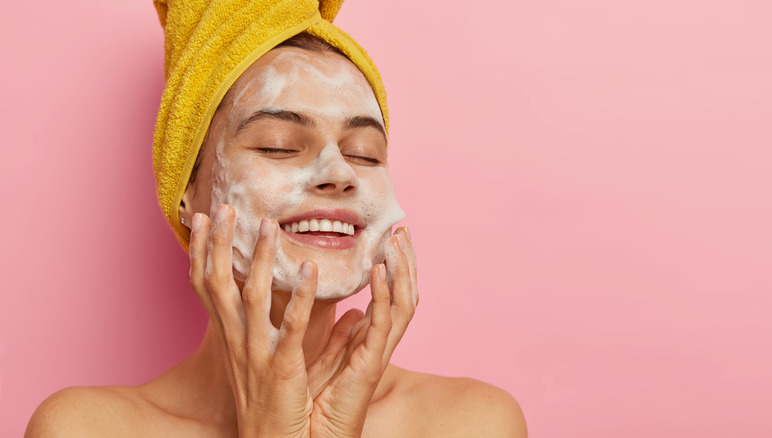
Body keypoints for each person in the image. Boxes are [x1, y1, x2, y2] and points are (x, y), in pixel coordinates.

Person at [26, 1, 527, 436]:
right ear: (187, 193)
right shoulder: (83, 428)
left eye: (365, 153)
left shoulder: (471, 423)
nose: (340, 173)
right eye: (278, 145)